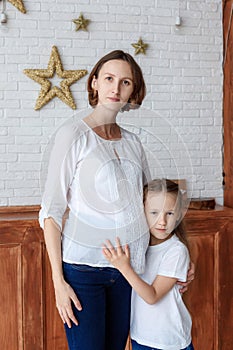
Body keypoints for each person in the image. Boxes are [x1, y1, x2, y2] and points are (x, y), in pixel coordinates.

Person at [39, 50, 194, 350]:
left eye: (125, 82)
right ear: (94, 82)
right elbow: (51, 211)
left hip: (129, 271)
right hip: (84, 272)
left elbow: (149, 210)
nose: (116, 88)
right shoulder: (73, 135)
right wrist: (59, 283)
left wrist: (180, 262)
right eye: (109, 78)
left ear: (133, 91)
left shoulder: (134, 143)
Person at [103, 179, 194, 350]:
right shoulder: (139, 247)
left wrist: (124, 267)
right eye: (154, 213)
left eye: (169, 213)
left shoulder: (176, 251)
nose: (162, 221)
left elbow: (152, 296)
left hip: (168, 342)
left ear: (180, 214)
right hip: (141, 338)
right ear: (142, 212)